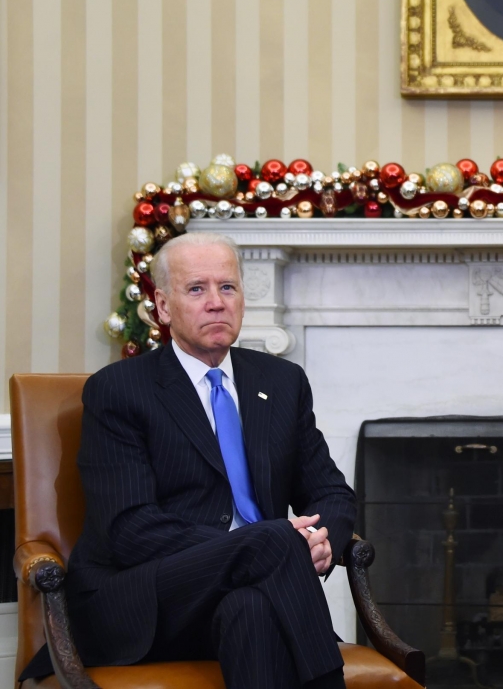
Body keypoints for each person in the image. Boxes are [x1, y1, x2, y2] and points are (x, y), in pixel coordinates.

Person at [21, 232, 356, 689]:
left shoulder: (282, 382)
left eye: (228, 287)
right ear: (162, 307)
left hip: (247, 592)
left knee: (253, 608)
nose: (216, 302)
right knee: (273, 540)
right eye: (197, 289)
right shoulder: (120, 390)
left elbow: (330, 492)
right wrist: (257, 546)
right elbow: (131, 530)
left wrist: (321, 540)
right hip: (146, 596)